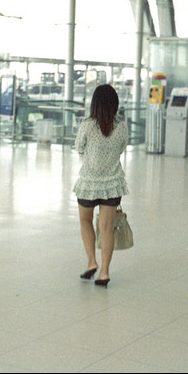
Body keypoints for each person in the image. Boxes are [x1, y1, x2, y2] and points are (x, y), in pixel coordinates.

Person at [73, 84, 129, 288]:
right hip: (112, 184)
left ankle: (92, 262)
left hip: (89, 183)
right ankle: (104, 272)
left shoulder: (87, 125)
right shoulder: (121, 127)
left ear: (94, 103)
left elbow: (79, 147)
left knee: (85, 221)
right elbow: (122, 148)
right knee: (107, 228)